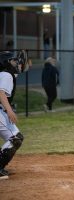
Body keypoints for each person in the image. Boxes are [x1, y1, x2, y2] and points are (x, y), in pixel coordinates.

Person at [0, 50, 31, 180]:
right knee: (15, 139)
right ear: (7, 62)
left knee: (17, 138)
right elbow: (1, 93)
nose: (17, 63)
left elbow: (24, 66)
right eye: (14, 60)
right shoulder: (6, 74)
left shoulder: (5, 73)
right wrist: (10, 110)